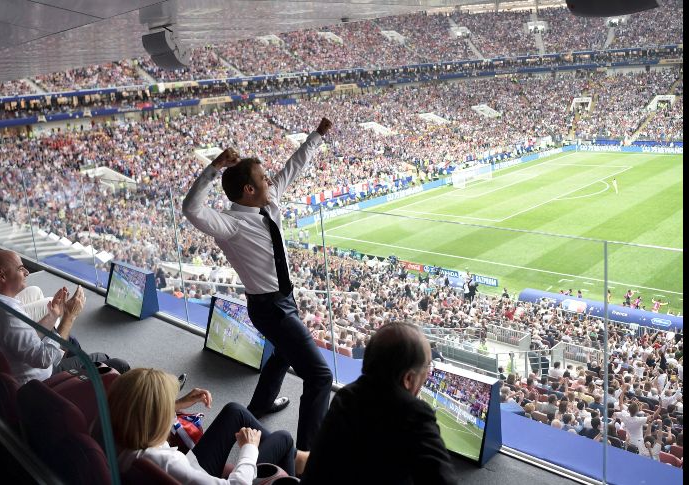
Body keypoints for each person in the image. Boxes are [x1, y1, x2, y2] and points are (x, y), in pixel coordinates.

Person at [183, 117, 334, 451]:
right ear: (248, 190)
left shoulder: (268, 202)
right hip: (268, 308)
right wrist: (213, 168)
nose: (271, 180)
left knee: (283, 353)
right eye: (264, 178)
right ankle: (309, 456)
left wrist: (317, 136)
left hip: (284, 299)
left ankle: (261, 404)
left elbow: (293, 167)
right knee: (320, 376)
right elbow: (191, 209)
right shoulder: (230, 225)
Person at [301, 322, 456, 485]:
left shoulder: (345, 397)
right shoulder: (415, 414)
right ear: (409, 379)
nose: (427, 374)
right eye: (427, 367)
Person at [108, 368, 308, 483]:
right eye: (166, 406)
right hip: (201, 474)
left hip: (192, 463)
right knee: (283, 439)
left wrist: (178, 403)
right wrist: (250, 448)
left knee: (234, 411)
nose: (172, 411)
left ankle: (295, 457)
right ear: (152, 419)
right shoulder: (164, 464)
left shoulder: (115, 429)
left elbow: (139, 412)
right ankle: (294, 461)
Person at [0, 250, 129, 387]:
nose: (27, 273)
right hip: (39, 383)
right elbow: (45, 359)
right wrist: (69, 316)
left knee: (71, 343)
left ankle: (86, 374)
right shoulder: (8, 315)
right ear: (2, 275)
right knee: (114, 363)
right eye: (21, 268)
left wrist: (54, 314)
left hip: (16, 374)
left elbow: (23, 337)